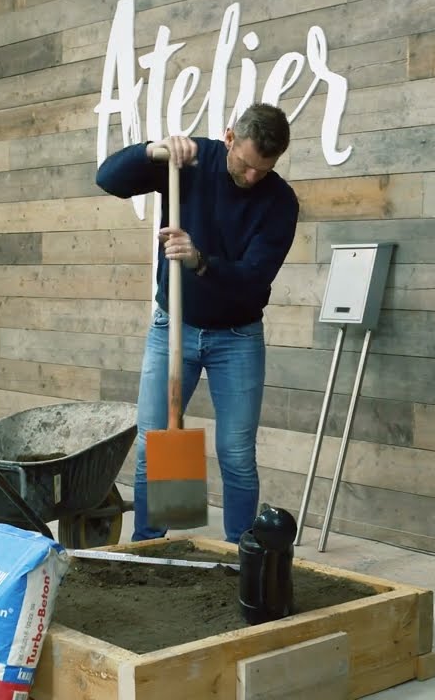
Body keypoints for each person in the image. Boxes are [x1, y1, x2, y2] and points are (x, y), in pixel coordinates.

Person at [95, 103, 299, 544]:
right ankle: (153, 544)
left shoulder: (279, 202)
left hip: (238, 337)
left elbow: (254, 279)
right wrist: (153, 151)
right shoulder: (190, 162)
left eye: (263, 170)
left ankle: (242, 554)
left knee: (236, 453)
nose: (251, 178)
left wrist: (201, 261)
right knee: (158, 442)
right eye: (245, 165)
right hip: (174, 326)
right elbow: (108, 179)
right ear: (229, 138)